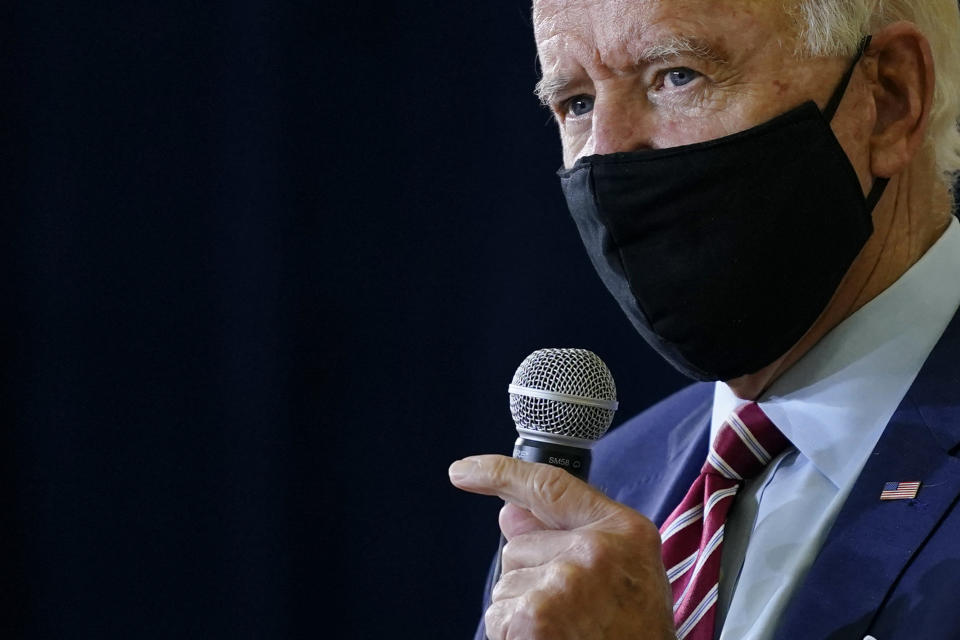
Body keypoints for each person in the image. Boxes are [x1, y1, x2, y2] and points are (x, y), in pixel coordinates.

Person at [449, 0, 960, 638]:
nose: (606, 156)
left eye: (677, 76)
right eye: (576, 103)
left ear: (887, 98)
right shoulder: (596, 503)